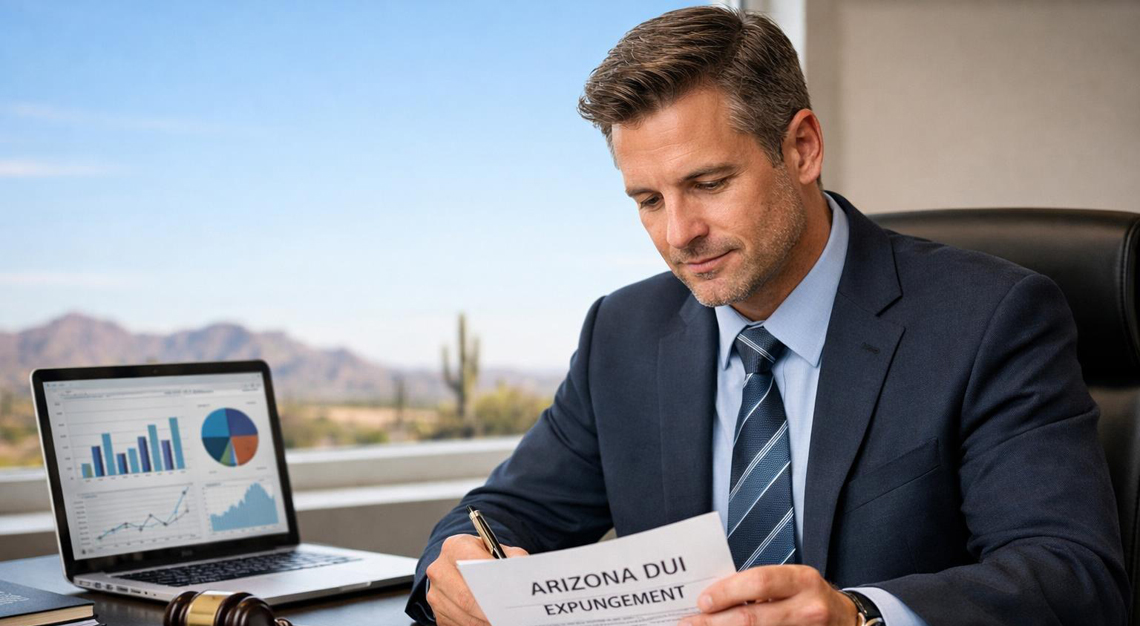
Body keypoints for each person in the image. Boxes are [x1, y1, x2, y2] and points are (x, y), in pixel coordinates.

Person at [405, 6, 1128, 626]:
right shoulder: (621, 335)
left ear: (802, 148)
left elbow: (1074, 576)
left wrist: (858, 615)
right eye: (648, 201)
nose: (678, 234)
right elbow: (496, 515)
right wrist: (460, 566)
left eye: (709, 183)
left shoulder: (990, 318)